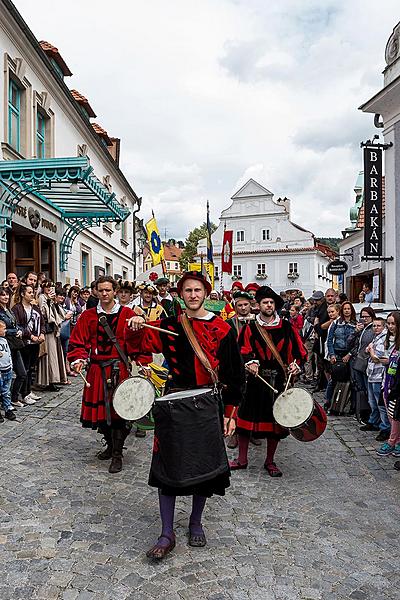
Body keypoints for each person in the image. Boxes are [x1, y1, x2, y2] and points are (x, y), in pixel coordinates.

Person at [127, 270, 244, 560]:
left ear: (206, 293)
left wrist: (230, 413)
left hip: (207, 404)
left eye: (198, 290)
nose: (193, 295)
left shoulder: (224, 329)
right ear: (181, 295)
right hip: (174, 403)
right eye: (188, 291)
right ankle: (167, 532)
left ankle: (195, 522)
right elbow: (140, 343)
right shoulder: (170, 325)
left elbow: (234, 374)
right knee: (167, 467)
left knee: (202, 468)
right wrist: (138, 325)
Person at [230, 285, 306, 477]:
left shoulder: (286, 326)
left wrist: (295, 364)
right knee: (245, 421)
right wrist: (250, 362)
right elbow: (242, 350)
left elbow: (299, 351)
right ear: (259, 305)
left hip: (279, 381)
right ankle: (242, 459)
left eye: (271, 302)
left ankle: (270, 461)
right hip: (256, 381)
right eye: (265, 302)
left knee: (276, 423)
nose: (269, 305)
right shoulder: (250, 327)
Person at [68, 276, 137, 474]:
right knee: (101, 415)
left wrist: (139, 323)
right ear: (96, 292)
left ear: (115, 291)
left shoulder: (127, 314)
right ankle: (110, 445)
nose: (105, 293)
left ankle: (117, 454)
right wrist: (79, 359)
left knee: (119, 413)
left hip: (119, 369)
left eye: (108, 290)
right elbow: (77, 342)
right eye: (101, 290)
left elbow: (136, 342)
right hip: (97, 371)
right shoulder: (88, 315)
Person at [12, 284, 45, 404]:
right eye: (29, 292)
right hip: (25, 342)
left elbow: (42, 322)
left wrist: (42, 334)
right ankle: (24, 394)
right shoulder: (17, 308)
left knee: (31, 367)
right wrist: (31, 336)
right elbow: (18, 326)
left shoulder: (35, 307)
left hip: (36, 342)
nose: (32, 294)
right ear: (22, 294)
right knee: (24, 368)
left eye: (32, 292)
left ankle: (28, 390)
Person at [376, 311, 400, 458]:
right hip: (387, 380)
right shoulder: (390, 340)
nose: (390, 327)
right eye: (389, 323)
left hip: (396, 385)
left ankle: (393, 441)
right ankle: (395, 440)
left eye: (393, 324)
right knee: (391, 414)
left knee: (395, 415)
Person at [37, 280, 68, 391]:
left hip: (53, 329)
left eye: (51, 286)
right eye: (47, 286)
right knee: (50, 356)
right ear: (43, 287)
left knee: (55, 354)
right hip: (47, 330)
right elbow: (44, 312)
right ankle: (49, 380)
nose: (49, 288)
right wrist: (50, 301)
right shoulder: (42, 297)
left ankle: (55, 379)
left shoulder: (50, 298)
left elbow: (57, 312)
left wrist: (53, 302)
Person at [0, 286, 28, 409]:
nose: (6, 297)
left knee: (22, 373)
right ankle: (5, 401)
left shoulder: (9, 310)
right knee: (5, 376)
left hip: (14, 345)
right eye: (2, 295)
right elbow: (2, 331)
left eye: (7, 295)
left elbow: (17, 325)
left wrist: (20, 331)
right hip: (4, 346)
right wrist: (14, 331)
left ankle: (13, 398)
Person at [363, 317, 391, 440]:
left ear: (384, 326)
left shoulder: (385, 338)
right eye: (374, 326)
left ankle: (385, 428)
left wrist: (371, 350)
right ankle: (374, 422)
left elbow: (377, 358)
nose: (376, 328)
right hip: (372, 374)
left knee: (380, 404)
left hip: (379, 375)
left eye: (379, 326)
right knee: (372, 402)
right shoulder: (376, 337)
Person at [325, 303, 354, 410]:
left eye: (348, 309)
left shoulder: (355, 324)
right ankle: (328, 401)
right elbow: (330, 340)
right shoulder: (336, 323)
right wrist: (331, 354)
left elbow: (357, 342)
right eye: (345, 309)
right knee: (333, 380)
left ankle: (350, 404)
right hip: (337, 354)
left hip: (350, 355)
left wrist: (349, 354)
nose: (346, 311)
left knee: (351, 380)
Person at [0, 320, 16, 421]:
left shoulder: (4, 341)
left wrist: (11, 364)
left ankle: (8, 409)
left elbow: (8, 353)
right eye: (3, 329)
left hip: (7, 369)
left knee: (6, 391)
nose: (5, 330)